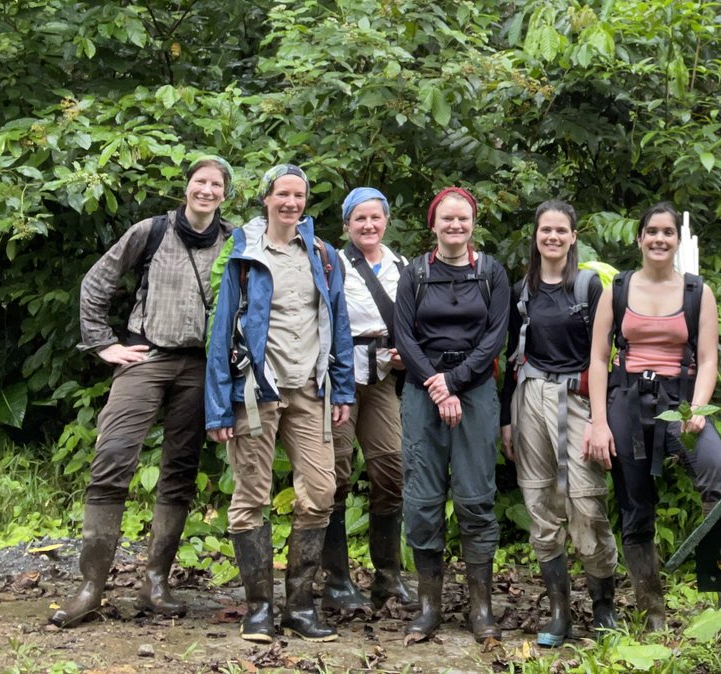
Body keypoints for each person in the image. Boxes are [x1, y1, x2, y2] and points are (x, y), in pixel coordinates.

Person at [53, 155, 234, 628]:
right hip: (146, 357)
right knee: (112, 456)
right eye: (200, 182)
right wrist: (103, 343)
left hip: (200, 367)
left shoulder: (235, 241)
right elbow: (98, 281)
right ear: (187, 186)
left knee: (179, 469)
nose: (207, 191)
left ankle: (156, 582)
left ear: (225, 193)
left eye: (216, 184)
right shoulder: (150, 231)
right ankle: (91, 587)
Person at [204, 164, 355, 643]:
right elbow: (220, 328)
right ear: (266, 199)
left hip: (310, 391)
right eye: (282, 195)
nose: (291, 203)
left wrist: (344, 388)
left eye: (299, 195)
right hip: (255, 391)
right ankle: (259, 609)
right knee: (251, 496)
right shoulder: (244, 253)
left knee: (322, 490)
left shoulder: (323, 255)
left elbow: (340, 325)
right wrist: (218, 407)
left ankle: (300, 606)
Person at [585, 202, 721, 633]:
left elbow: (708, 359)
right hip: (627, 397)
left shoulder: (696, 291)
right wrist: (599, 420)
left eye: (667, 232)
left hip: (681, 398)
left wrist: (699, 410)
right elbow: (597, 359)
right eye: (651, 231)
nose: (659, 239)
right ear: (639, 238)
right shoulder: (618, 289)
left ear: (677, 241)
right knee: (635, 504)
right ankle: (652, 612)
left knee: (718, 474)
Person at [394, 187, 510, 644]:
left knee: (476, 497)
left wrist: (456, 382)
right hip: (423, 392)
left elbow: (496, 336)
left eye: (463, 219)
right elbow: (404, 336)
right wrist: (436, 384)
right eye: (447, 220)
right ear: (433, 224)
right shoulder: (415, 274)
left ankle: (480, 609)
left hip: (476, 391)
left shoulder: (491, 274)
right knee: (422, 498)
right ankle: (429, 607)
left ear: (473, 224)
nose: (455, 226)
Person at [499, 200, 617, 646]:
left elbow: (604, 357)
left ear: (573, 236)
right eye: (545, 230)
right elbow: (513, 354)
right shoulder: (520, 291)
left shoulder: (588, 288)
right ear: (536, 236)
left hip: (579, 400)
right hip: (530, 397)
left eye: (560, 230)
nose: (552, 237)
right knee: (540, 504)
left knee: (586, 504)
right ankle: (558, 611)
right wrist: (507, 418)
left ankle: (603, 605)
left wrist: (601, 420)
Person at [323, 187, 414, 617]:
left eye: (375, 217)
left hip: (382, 379)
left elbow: (414, 324)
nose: (369, 225)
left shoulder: (403, 268)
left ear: (386, 221)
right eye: (359, 219)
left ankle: (388, 575)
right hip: (339, 376)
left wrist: (405, 356)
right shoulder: (332, 264)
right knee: (336, 472)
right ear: (346, 225)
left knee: (390, 465)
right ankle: (337, 580)